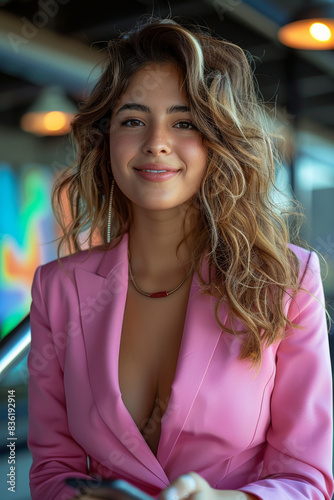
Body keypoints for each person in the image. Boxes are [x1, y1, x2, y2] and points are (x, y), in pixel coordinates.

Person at [27, 17, 334, 500]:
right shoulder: (58, 288)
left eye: (184, 121)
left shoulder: (287, 281)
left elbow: (307, 479)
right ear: (105, 140)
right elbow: (50, 472)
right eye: (132, 120)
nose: (156, 142)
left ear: (219, 143)